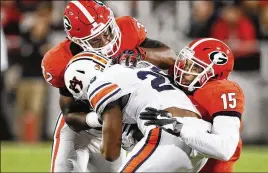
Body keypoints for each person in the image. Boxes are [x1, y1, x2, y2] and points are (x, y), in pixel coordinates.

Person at [41, 0, 177, 172]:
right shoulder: (61, 61)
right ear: (78, 41)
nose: (107, 39)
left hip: (114, 126)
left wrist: (141, 54)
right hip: (82, 130)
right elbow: (70, 115)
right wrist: (99, 120)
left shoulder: (127, 29)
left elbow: (171, 57)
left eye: (108, 30)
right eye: (96, 40)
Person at [63, 51, 211, 172]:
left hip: (168, 134)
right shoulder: (142, 67)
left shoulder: (99, 83)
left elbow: (111, 153)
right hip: (199, 135)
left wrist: (113, 128)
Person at [140, 38, 245, 173]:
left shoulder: (221, 91)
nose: (184, 70)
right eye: (187, 63)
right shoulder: (181, 83)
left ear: (213, 74)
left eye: (195, 67)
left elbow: (224, 149)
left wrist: (176, 127)